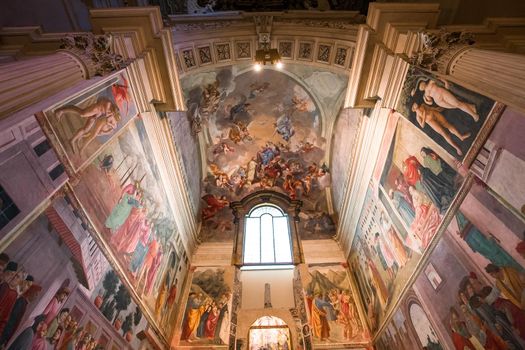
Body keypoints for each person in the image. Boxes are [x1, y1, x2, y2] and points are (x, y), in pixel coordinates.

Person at [56, 98, 122, 154]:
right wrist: (110, 117)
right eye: (114, 114)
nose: (113, 115)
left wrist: (110, 121)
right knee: (82, 113)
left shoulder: (111, 114)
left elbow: (108, 120)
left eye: (114, 115)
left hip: (96, 114)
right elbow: (107, 117)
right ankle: (61, 110)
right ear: (114, 110)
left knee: (85, 129)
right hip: (96, 109)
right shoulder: (109, 104)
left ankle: (72, 140)